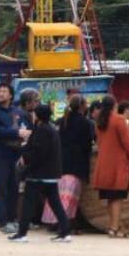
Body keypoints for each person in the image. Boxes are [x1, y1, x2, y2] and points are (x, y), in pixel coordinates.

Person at [9, 104, 72, 243]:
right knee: (55, 204)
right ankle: (65, 232)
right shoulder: (51, 129)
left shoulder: (42, 130)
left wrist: (25, 158)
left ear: (37, 115)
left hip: (39, 174)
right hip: (51, 174)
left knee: (28, 204)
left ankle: (22, 233)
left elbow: (38, 152)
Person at [91, 94, 129, 237]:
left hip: (104, 164)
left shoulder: (100, 122)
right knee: (117, 197)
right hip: (119, 164)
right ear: (115, 105)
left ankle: (112, 225)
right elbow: (127, 144)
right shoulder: (119, 120)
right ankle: (114, 228)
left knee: (110, 198)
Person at [0, 84, 26, 233]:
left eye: (4, 91)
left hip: (15, 154)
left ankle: (13, 218)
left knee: (14, 188)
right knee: (0, 188)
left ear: (11, 95)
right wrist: (17, 133)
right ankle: (3, 222)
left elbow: (25, 127)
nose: (0, 94)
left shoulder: (17, 111)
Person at [52, 93, 95, 228]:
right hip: (77, 163)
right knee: (73, 196)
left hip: (62, 162)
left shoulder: (62, 120)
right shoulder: (85, 122)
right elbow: (87, 144)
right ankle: (68, 223)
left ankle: (57, 221)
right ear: (82, 106)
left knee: (62, 194)